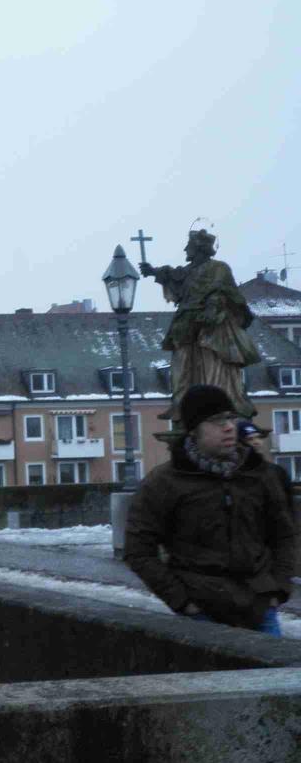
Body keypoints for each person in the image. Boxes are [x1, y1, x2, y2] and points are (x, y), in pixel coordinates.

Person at [125, 385, 295, 634]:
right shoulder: (165, 482)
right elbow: (138, 550)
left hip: (260, 608)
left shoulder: (260, 474)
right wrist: (183, 602)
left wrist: (277, 590)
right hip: (202, 611)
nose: (229, 427)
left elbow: (285, 535)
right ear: (194, 430)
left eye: (231, 418)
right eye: (216, 420)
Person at [140, 229, 260, 424]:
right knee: (181, 367)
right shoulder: (188, 271)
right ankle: (182, 405)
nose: (185, 250)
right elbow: (172, 275)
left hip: (212, 326)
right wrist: (152, 271)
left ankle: (220, 405)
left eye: (189, 246)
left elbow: (229, 294)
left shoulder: (219, 268)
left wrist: (214, 305)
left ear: (199, 249)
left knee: (213, 366)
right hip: (185, 324)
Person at [239, 420, 292, 500]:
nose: (257, 442)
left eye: (259, 437)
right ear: (239, 443)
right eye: (250, 439)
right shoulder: (235, 475)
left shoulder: (277, 471)